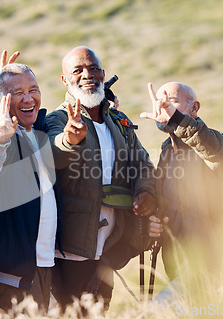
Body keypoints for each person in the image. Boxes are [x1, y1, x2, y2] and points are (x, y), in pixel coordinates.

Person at [45, 46, 157, 310]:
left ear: (104, 74)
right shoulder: (57, 119)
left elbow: (143, 164)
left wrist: (146, 192)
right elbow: (52, 155)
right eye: (78, 70)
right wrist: (70, 140)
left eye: (94, 68)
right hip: (68, 251)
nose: (88, 75)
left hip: (110, 249)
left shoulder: (119, 122)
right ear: (65, 80)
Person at [0, 62, 63, 312]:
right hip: (3, 272)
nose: (29, 98)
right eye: (18, 92)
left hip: (40, 265)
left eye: (33, 89)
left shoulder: (35, 132)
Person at [140, 82, 223, 300]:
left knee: (157, 312)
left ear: (194, 108)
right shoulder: (167, 153)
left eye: (171, 101)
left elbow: (206, 145)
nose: (162, 106)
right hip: (180, 268)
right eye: (159, 102)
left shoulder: (219, 144)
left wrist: (176, 119)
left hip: (217, 266)